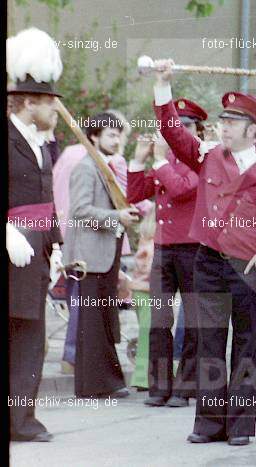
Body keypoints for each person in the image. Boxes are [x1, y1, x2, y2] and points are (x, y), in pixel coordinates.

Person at [151, 58, 256, 446]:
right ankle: (208, 424)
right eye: (222, 121)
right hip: (207, 263)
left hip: (249, 268)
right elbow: (173, 133)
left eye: (232, 122)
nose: (223, 127)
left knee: (245, 344)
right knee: (208, 341)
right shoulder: (205, 156)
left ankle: (240, 426)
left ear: (253, 131)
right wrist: (163, 85)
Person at [127, 98, 205, 408]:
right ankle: (159, 386)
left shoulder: (202, 156)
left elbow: (183, 190)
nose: (178, 131)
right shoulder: (165, 159)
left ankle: (186, 387)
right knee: (159, 320)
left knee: (195, 321)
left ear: (197, 129)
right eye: (174, 125)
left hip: (192, 248)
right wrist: (137, 160)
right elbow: (135, 194)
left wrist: (158, 162)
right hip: (163, 248)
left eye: (186, 125)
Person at [7, 27, 64, 442]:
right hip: (12, 247)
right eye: (50, 104)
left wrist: (57, 243)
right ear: (29, 103)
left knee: (30, 337)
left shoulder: (44, 144)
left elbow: (48, 201)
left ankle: (21, 420)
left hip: (36, 252)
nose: (56, 111)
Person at [63, 112, 141, 399]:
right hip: (89, 258)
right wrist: (117, 217)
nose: (117, 139)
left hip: (103, 255)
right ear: (94, 136)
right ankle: (95, 385)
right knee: (93, 323)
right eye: (111, 134)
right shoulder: (86, 168)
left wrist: (122, 217)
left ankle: (103, 383)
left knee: (102, 321)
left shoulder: (101, 166)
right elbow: (80, 211)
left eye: (119, 134)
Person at [127, 205, 156, 391]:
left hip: (139, 290)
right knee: (148, 334)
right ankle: (142, 377)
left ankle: (146, 375)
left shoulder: (145, 237)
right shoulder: (152, 242)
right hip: (147, 290)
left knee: (148, 332)